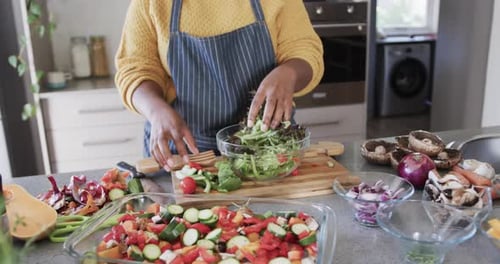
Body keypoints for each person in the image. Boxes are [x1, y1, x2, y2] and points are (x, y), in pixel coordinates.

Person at [115, 0, 324, 171]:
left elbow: (305, 50)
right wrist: (155, 109)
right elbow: (134, 68)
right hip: (182, 155)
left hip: (266, 153)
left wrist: (289, 73)